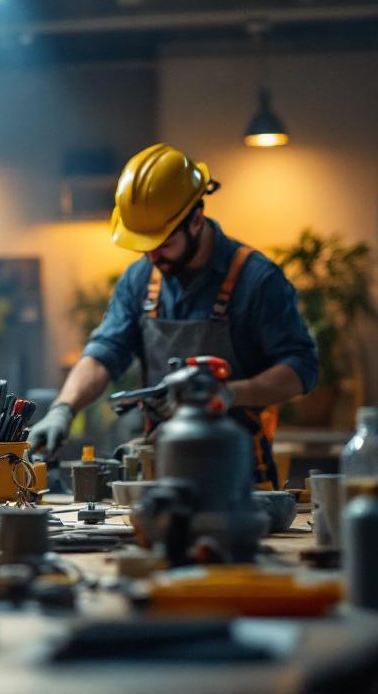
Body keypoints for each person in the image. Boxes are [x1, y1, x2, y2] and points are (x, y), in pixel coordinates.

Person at [29, 143, 319, 489]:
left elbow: (301, 369)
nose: (152, 257)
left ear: (195, 220)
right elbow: (105, 352)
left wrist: (227, 394)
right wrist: (64, 407)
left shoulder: (257, 281)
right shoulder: (139, 281)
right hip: (161, 477)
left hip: (242, 480)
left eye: (163, 244)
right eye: (144, 246)